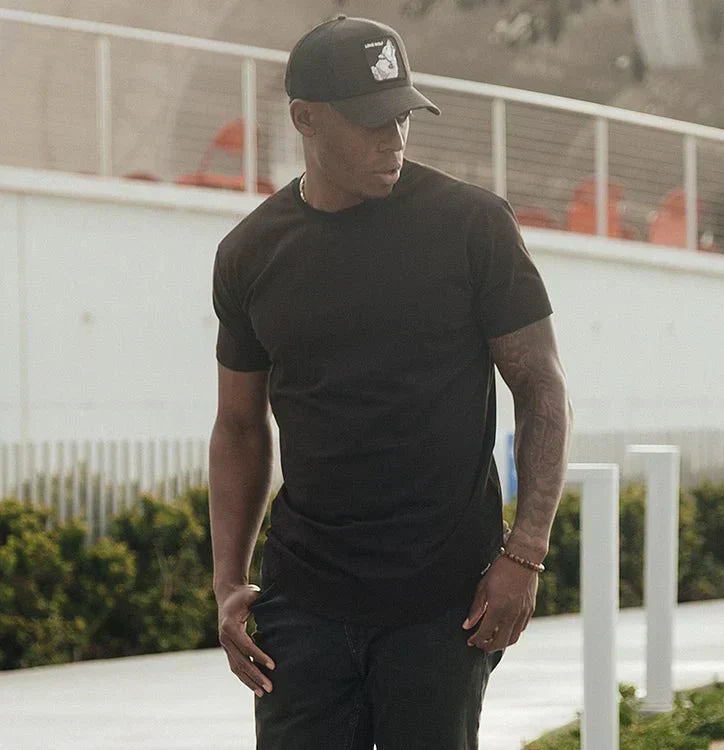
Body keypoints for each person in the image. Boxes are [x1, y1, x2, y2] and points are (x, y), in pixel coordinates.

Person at [208, 15, 573, 750]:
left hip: (443, 603)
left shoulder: (472, 226)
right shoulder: (250, 252)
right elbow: (240, 426)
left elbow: (541, 390)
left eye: (402, 115)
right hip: (303, 602)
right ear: (305, 119)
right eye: (371, 120)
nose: (394, 137)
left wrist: (525, 553)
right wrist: (227, 584)